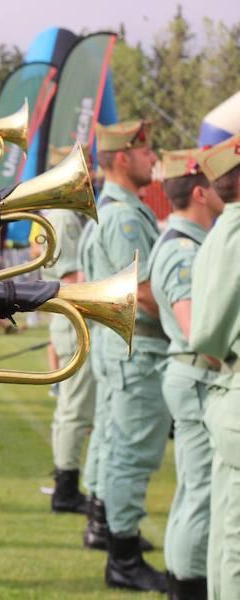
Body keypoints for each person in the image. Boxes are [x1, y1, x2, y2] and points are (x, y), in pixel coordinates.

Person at [82, 120, 168, 592]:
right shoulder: (125, 217)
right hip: (135, 349)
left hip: (125, 348)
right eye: (146, 151)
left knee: (120, 446)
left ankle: (109, 531)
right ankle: (123, 554)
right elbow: (142, 291)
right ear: (122, 158)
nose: (153, 158)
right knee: (132, 454)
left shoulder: (120, 210)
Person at [150, 147, 226, 599]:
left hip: (191, 376)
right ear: (200, 193)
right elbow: (195, 327)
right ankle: (187, 585)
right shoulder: (183, 249)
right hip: (198, 377)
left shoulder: (189, 242)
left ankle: (183, 577)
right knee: (202, 492)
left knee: (194, 490)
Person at [190, 134, 240, 600]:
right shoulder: (236, 233)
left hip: (230, 394)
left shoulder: (222, 231)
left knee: (229, 539)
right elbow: (205, 333)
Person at [40, 202, 95, 514]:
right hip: (76, 322)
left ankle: (66, 481)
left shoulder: (68, 216)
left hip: (73, 321)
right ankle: (66, 488)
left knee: (72, 408)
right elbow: (74, 276)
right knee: (76, 410)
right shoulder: (64, 217)